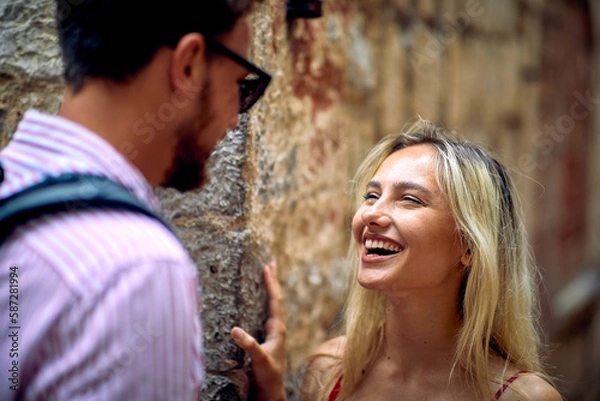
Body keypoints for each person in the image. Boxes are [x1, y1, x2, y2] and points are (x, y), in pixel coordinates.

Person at [0, 0, 284, 400]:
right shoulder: (139, 270)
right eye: (241, 85)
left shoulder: (12, 182)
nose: (236, 119)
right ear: (188, 64)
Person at [299, 119, 563, 401]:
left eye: (410, 199)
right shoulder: (328, 372)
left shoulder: (523, 397)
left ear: (470, 246)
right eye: (371, 195)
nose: (371, 214)